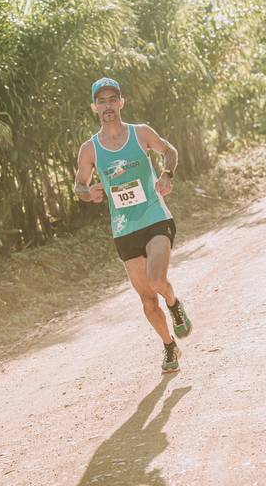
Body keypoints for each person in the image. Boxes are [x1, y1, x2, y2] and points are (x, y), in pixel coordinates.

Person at [74, 77, 193, 373]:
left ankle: (174, 303)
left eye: (112, 99)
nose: (107, 106)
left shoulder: (141, 133)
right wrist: (88, 193)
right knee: (147, 299)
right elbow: (79, 185)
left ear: (121, 102)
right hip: (124, 229)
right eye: (101, 101)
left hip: (155, 217)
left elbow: (170, 151)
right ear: (94, 107)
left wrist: (166, 174)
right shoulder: (89, 150)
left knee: (156, 280)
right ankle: (169, 346)